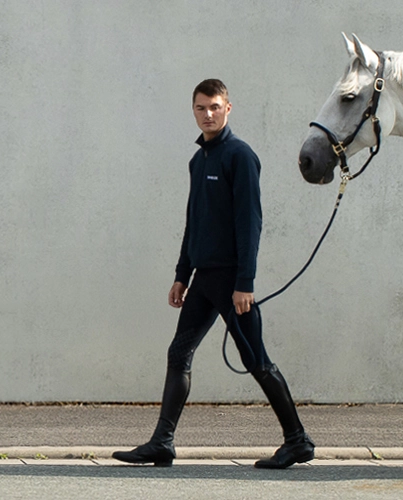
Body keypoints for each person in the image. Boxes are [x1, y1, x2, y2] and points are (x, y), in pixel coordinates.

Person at [113, 79, 315, 469]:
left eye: (215, 107)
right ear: (193, 110)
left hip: (230, 282)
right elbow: (194, 222)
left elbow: (250, 223)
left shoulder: (239, 156)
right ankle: (162, 442)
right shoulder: (198, 160)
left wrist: (245, 283)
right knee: (179, 353)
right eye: (201, 108)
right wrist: (181, 275)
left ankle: (298, 441)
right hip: (202, 280)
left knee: (256, 358)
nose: (208, 114)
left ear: (228, 108)